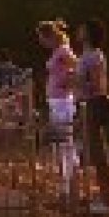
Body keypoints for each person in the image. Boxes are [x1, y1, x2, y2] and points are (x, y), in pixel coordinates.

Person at [76, 18, 109, 215]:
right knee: (91, 152)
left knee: (99, 152)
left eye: (82, 28)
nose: (79, 30)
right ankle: (100, 195)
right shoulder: (86, 55)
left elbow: (99, 85)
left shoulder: (94, 56)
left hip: (94, 105)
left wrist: (81, 85)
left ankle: (107, 200)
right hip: (86, 105)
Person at [37, 19, 79, 200]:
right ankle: (67, 187)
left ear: (49, 36)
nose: (40, 42)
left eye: (41, 37)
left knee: (65, 144)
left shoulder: (63, 51)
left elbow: (76, 66)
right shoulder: (58, 51)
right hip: (56, 100)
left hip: (62, 101)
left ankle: (70, 188)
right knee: (61, 144)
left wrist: (66, 82)